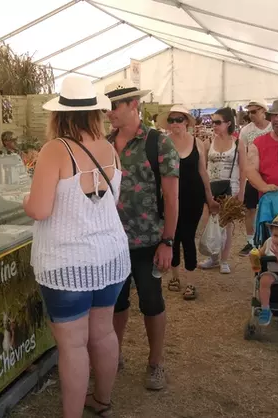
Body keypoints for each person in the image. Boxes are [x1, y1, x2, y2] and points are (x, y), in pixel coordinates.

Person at [26, 75, 129, 418]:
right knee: (102, 333)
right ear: (95, 113)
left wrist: (26, 201)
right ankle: (102, 400)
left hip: (67, 262)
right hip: (110, 258)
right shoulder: (109, 148)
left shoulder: (56, 149)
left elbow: (40, 210)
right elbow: (111, 200)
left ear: (59, 115)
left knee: (72, 345)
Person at [104, 79, 180, 391]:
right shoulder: (105, 144)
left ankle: (155, 363)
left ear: (133, 105)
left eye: (115, 106)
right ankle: (114, 355)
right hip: (111, 241)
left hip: (149, 241)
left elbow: (173, 198)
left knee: (151, 301)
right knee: (115, 303)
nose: (109, 112)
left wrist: (168, 241)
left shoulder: (157, 142)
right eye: (107, 106)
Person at [157, 105, 218, 299]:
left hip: (193, 195)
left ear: (186, 122)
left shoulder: (197, 143)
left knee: (188, 237)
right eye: (172, 120)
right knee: (172, 236)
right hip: (169, 197)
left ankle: (191, 283)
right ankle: (175, 277)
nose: (175, 123)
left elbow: (203, 172)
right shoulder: (162, 143)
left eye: (179, 119)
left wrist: (210, 198)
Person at [199, 107, 247, 274]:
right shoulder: (208, 142)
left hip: (230, 187)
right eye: (213, 122)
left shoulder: (238, 143)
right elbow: (203, 167)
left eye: (218, 122)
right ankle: (213, 257)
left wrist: (241, 192)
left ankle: (224, 259)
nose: (214, 125)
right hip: (211, 187)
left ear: (228, 123)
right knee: (209, 222)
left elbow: (244, 169)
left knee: (226, 225)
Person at [238, 100, 272, 256]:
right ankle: (250, 242)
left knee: (271, 209)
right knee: (249, 209)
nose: (250, 115)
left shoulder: (273, 127)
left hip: (271, 174)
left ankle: (270, 241)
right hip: (252, 174)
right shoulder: (245, 131)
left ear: (263, 110)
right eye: (248, 112)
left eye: (254, 111)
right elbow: (243, 155)